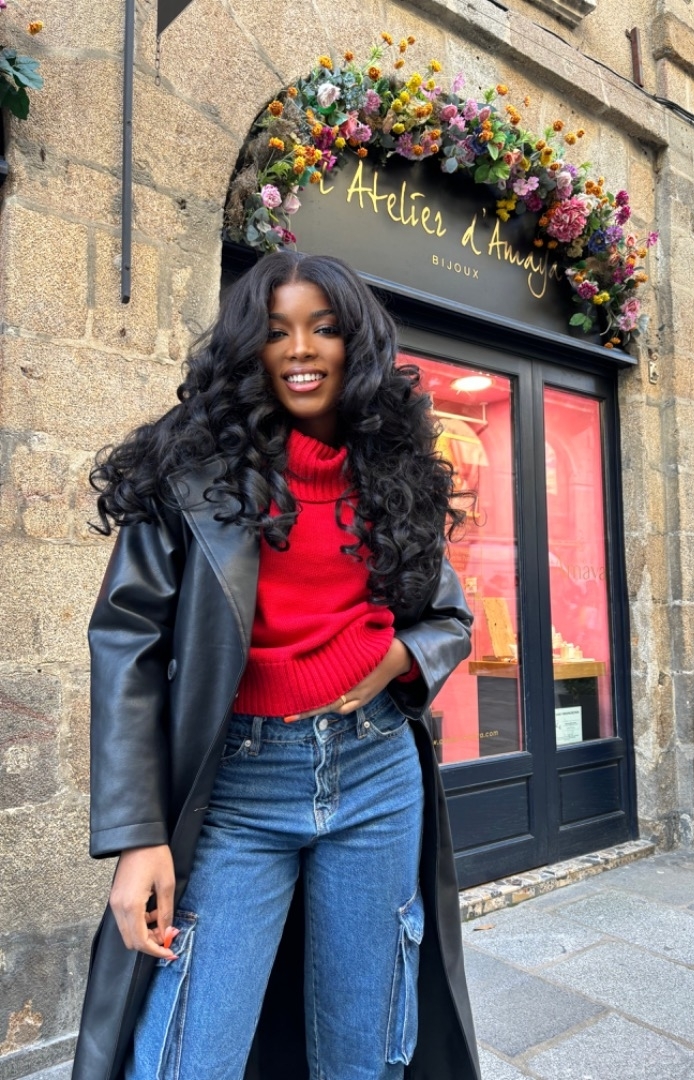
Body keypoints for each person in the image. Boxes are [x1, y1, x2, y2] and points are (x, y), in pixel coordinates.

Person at [72, 252, 481, 1080]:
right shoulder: (190, 470)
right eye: (276, 330)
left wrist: (401, 656)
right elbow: (126, 644)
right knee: (189, 1056)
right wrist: (137, 836)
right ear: (247, 347)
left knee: (364, 1052)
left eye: (323, 328)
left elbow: (447, 616)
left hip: (377, 772)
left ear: (354, 344)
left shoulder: (395, 470)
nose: (301, 349)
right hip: (237, 786)